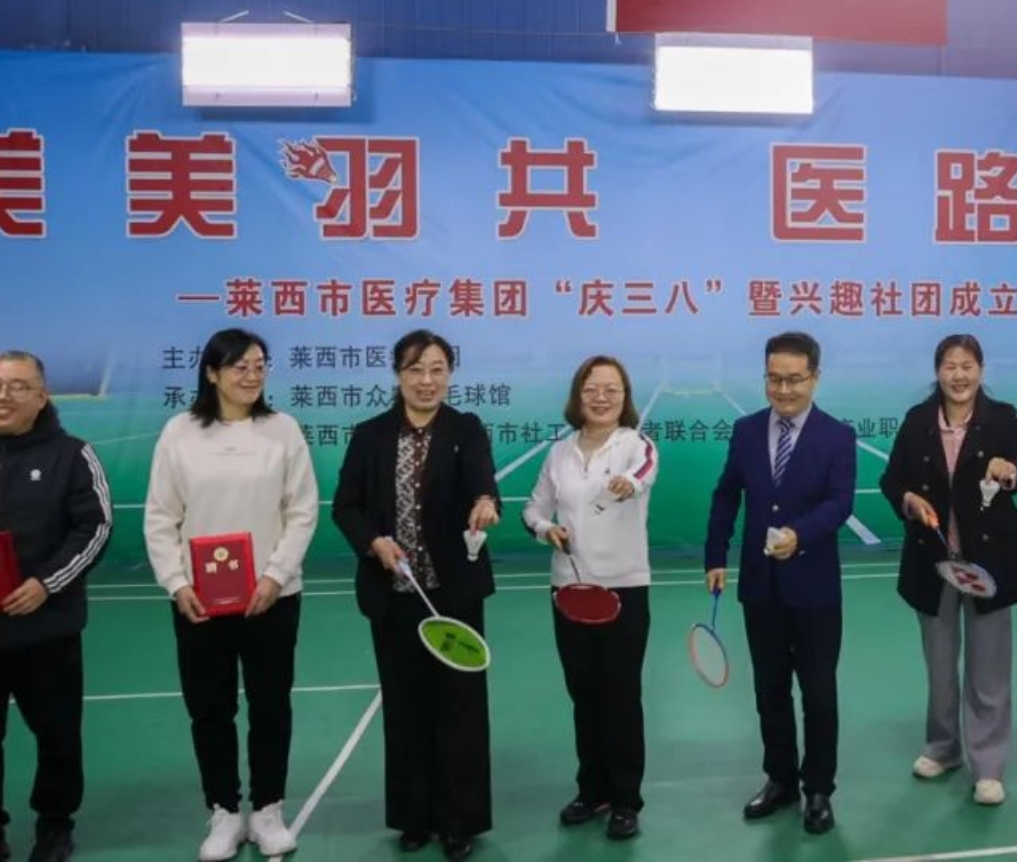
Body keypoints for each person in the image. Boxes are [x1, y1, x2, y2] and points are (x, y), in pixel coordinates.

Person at [144, 329, 319, 860]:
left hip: (272, 598)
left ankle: (268, 809)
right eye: (239, 366)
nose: (251, 374)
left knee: (270, 706)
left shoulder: (283, 430)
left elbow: (302, 510)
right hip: (199, 602)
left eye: (259, 365)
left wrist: (275, 575)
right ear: (212, 373)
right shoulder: (179, 432)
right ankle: (222, 810)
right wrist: (177, 583)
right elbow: (161, 516)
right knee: (210, 708)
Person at [332, 329, 500, 861]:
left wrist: (486, 505)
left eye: (437, 370)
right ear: (398, 374)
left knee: (460, 709)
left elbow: (484, 486)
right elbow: (345, 507)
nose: (427, 381)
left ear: (449, 374)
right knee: (405, 708)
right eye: (415, 369)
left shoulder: (466, 429)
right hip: (394, 596)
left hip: (454, 596)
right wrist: (374, 542)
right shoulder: (370, 435)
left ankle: (459, 820)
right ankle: (413, 816)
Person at [0, 351, 112, 862]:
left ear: (42, 396)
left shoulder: (73, 455)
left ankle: (54, 826)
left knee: (58, 736)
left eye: (16, 387)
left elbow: (95, 527)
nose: (1, 396)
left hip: (47, 630)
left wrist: (47, 584)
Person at [704, 331, 855, 835]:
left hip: (815, 589)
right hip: (760, 586)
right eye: (774, 379)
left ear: (815, 378)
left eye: (794, 379)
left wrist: (800, 534)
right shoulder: (746, 430)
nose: (784, 389)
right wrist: (716, 554)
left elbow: (840, 502)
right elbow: (727, 494)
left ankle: (819, 789)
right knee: (770, 689)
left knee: (819, 693)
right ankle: (781, 779)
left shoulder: (837, 436)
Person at [879, 334, 1017, 806]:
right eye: (950, 366)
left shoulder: (1002, 417)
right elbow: (892, 480)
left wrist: (1011, 469)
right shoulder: (917, 420)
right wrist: (908, 500)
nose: (959, 375)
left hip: (990, 560)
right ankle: (942, 748)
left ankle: (988, 766)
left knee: (990, 669)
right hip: (932, 561)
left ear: (981, 371)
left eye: (967, 365)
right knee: (940, 666)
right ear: (938, 371)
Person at [524, 356, 658, 840]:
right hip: (569, 589)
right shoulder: (559, 453)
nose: (601, 398)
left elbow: (644, 472)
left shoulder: (636, 445)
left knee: (620, 695)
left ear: (625, 398)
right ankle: (593, 789)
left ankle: (625, 799)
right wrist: (546, 529)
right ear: (578, 396)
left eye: (611, 390)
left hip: (624, 588)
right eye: (592, 389)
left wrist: (629, 482)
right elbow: (533, 509)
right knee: (583, 694)